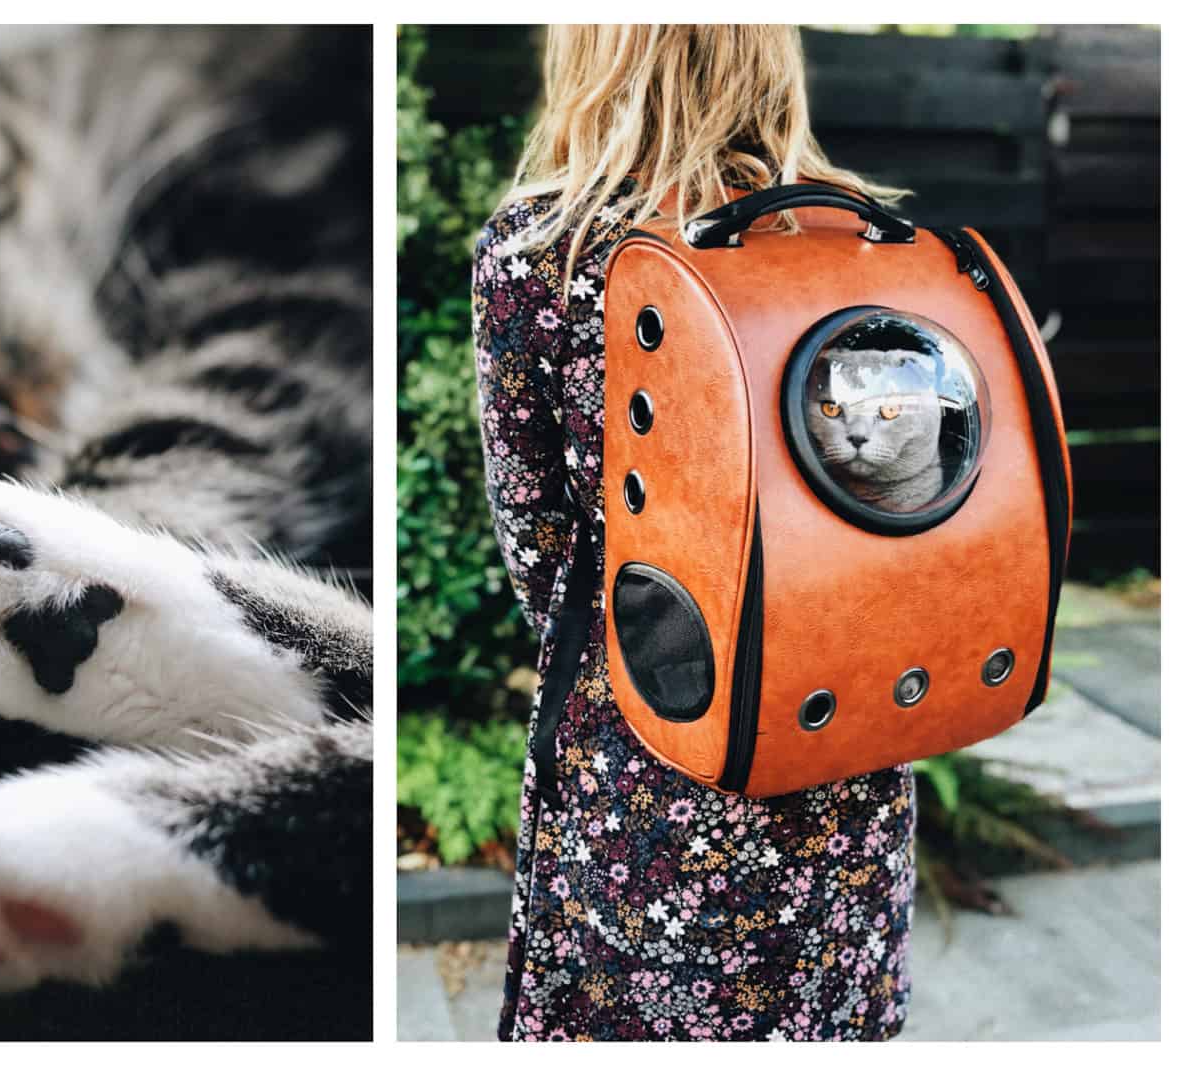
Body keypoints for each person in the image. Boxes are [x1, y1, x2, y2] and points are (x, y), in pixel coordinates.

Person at [472, 25, 915, 1041]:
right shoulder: (863, 243)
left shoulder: (546, 251)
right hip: (843, 722)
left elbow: (540, 550)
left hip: (648, 737)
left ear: (596, 54)